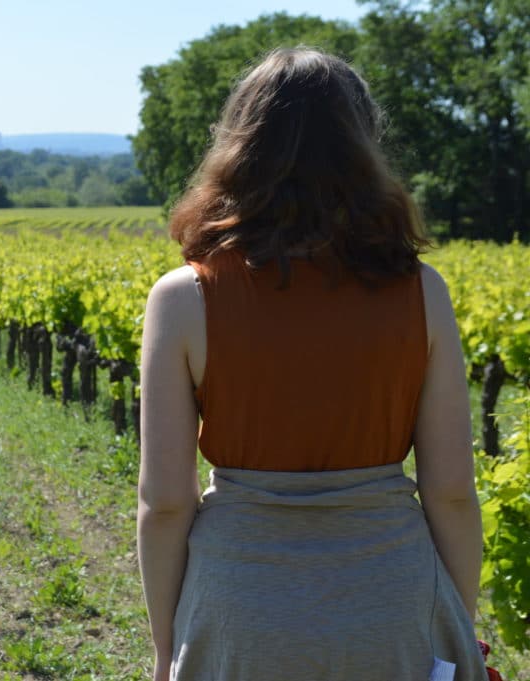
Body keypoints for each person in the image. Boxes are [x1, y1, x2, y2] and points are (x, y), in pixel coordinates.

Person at [137, 48, 487, 681]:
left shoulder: (184, 298)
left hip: (239, 608)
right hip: (392, 601)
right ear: (363, 150)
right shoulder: (420, 292)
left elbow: (164, 502)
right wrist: (453, 623)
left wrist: (166, 652)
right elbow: (453, 493)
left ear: (237, 146)